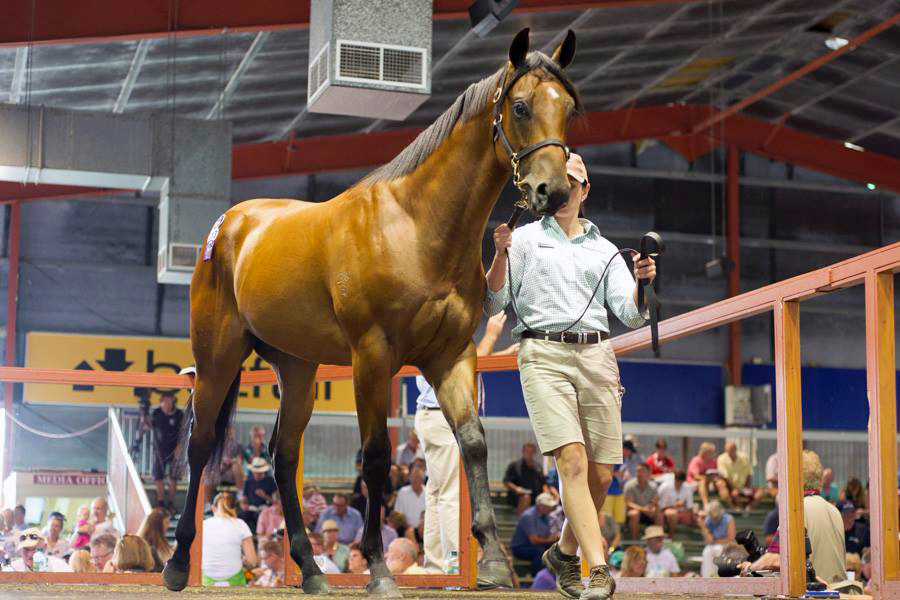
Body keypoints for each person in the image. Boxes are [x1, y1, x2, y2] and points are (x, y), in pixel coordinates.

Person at [485, 150, 657, 599]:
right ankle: (596, 568)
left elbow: (632, 315)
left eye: (573, 182)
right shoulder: (522, 239)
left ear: (585, 190)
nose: (565, 189)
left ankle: (563, 551)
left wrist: (643, 282)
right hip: (542, 353)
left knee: (602, 475)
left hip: (598, 354)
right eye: (557, 182)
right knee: (573, 462)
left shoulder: (605, 249)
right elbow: (493, 302)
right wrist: (499, 256)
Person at [413, 311, 515, 573]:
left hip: (432, 416)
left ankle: (436, 566)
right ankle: (455, 565)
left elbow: (469, 362)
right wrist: (491, 335)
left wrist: (501, 354)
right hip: (442, 416)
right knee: (451, 494)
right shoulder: (437, 327)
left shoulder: (424, 325)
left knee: (436, 492)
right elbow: (463, 372)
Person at [743, 450, 847, 588]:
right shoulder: (834, 511)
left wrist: (749, 568)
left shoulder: (797, 510)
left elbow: (775, 560)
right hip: (838, 592)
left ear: (794, 478)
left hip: (814, 593)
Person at [201, 492, 257, 587]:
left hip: (207, 582)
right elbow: (252, 561)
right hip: (235, 583)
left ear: (213, 508)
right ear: (235, 509)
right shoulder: (240, 524)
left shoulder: (203, 525)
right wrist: (242, 559)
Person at [509, 492, 560, 577]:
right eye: (548, 506)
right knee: (539, 551)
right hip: (521, 548)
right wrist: (551, 539)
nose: (550, 508)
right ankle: (538, 576)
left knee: (555, 549)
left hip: (535, 545)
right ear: (541, 506)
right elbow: (534, 540)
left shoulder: (545, 516)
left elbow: (546, 535)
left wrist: (554, 538)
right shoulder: (529, 516)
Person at [150, 391, 184, 513]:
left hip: (174, 450)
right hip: (159, 451)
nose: (167, 402)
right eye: (165, 400)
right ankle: (160, 503)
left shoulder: (179, 414)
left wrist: (179, 448)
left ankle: (170, 504)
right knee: (158, 477)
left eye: (170, 400)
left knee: (173, 477)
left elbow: (182, 432)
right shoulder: (156, 413)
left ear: (173, 401)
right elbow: (149, 426)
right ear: (161, 401)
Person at [503, 442, 546, 515]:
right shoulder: (514, 465)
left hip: (535, 496)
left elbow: (543, 483)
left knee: (548, 500)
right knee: (526, 497)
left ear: (534, 453)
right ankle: (523, 521)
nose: (529, 454)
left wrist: (547, 494)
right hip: (518, 496)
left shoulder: (538, 467)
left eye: (531, 452)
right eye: (527, 451)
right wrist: (517, 489)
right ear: (523, 452)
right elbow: (506, 481)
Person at [717, 442, 763, 510]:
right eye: (728, 450)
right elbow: (725, 477)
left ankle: (748, 509)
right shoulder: (721, 458)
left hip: (743, 488)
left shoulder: (744, 458)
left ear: (735, 449)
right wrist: (734, 489)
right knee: (723, 486)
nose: (729, 452)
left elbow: (749, 474)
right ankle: (736, 508)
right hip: (730, 488)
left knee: (761, 493)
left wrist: (746, 488)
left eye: (732, 450)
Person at [206, 425, 245, 503]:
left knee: (236, 465)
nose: (229, 433)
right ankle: (207, 502)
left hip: (232, 472)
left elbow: (240, 460)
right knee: (209, 473)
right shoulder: (216, 445)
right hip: (218, 470)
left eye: (230, 431)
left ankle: (240, 494)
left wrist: (231, 461)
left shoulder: (238, 446)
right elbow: (212, 459)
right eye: (227, 431)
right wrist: (221, 462)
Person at [5, 528, 71, 572]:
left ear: (45, 547)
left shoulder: (60, 567)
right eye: (26, 549)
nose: (30, 554)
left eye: (34, 549)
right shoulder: (12, 569)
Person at [699, 500, 736, 577]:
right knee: (706, 551)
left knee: (719, 550)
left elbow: (731, 538)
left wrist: (715, 542)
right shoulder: (708, 520)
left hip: (727, 545)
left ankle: (720, 575)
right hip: (714, 545)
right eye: (712, 517)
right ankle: (706, 577)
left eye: (716, 517)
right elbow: (708, 541)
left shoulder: (729, 519)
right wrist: (703, 526)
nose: (714, 520)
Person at [624, 463, 661, 540]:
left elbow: (655, 501)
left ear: (648, 473)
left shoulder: (653, 486)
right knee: (634, 514)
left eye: (642, 471)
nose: (639, 474)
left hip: (648, 512)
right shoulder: (629, 485)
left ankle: (659, 540)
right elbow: (629, 503)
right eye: (638, 471)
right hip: (634, 513)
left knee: (659, 512)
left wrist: (652, 508)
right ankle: (634, 542)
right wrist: (643, 509)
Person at [687, 442, 726, 511]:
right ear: (704, 452)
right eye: (711, 452)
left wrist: (715, 478)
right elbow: (696, 476)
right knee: (702, 482)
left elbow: (715, 473)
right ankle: (706, 504)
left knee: (720, 482)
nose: (713, 454)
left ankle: (727, 503)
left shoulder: (713, 461)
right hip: (694, 483)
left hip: (709, 482)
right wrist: (707, 478)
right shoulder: (696, 460)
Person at [657, 470, 695, 534]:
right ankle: (670, 537)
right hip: (666, 512)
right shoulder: (665, 487)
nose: (679, 483)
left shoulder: (688, 488)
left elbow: (690, 507)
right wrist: (675, 506)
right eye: (677, 480)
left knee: (697, 517)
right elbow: (661, 507)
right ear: (675, 479)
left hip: (682, 512)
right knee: (673, 514)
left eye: (681, 481)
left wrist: (692, 516)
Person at [137, 507, 173, 572]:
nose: (168, 526)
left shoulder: (163, 543)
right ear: (157, 525)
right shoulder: (146, 547)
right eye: (166, 522)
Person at [394, 466, 427, 530]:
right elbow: (398, 514)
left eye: (417, 477)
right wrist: (408, 528)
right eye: (412, 477)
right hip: (406, 529)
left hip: (426, 529)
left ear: (422, 480)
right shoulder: (402, 492)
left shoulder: (428, 492)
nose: (414, 480)